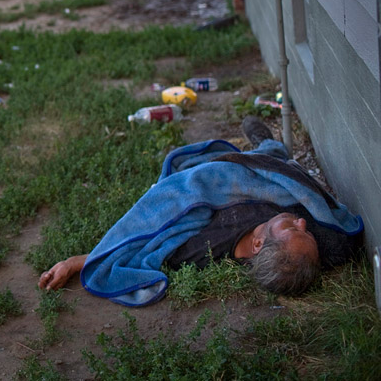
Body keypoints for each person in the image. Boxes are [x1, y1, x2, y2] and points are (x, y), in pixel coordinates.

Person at [38, 116, 363, 306]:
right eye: (304, 230)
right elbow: (333, 227)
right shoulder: (303, 238)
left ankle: (266, 145)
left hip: (211, 177)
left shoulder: (198, 248)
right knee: (277, 161)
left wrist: (75, 263)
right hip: (258, 171)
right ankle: (266, 144)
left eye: (293, 230)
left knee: (264, 157)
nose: (303, 222)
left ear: (259, 244)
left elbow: (145, 235)